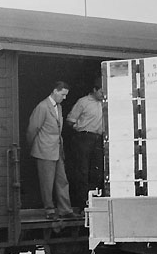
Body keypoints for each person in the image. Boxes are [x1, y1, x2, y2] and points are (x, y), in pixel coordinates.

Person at [26, 81, 75, 220]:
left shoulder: (58, 107)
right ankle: (49, 210)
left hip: (57, 149)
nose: (64, 98)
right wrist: (34, 147)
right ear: (55, 91)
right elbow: (32, 129)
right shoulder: (42, 107)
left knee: (62, 180)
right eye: (63, 94)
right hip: (44, 149)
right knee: (47, 183)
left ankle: (65, 210)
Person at [66, 77, 105, 210]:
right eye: (101, 92)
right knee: (82, 170)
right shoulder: (83, 102)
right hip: (84, 137)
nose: (103, 95)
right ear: (94, 90)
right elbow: (70, 120)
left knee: (97, 171)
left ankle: (95, 202)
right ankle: (82, 203)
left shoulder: (105, 102)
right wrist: (80, 128)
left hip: (99, 138)